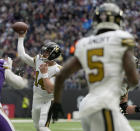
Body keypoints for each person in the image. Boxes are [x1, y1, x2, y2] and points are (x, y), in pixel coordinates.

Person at [50, 3, 139, 131]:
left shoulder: (84, 43)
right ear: (118, 21)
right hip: (103, 105)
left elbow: (61, 75)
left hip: (88, 106)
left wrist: (57, 102)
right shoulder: (122, 39)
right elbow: (134, 80)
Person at [17, 32, 62, 131]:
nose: (43, 53)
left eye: (47, 52)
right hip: (36, 98)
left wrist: (44, 73)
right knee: (37, 127)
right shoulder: (39, 60)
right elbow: (22, 56)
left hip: (48, 100)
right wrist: (21, 38)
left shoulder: (58, 70)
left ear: (53, 54)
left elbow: (50, 89)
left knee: (43, 126)